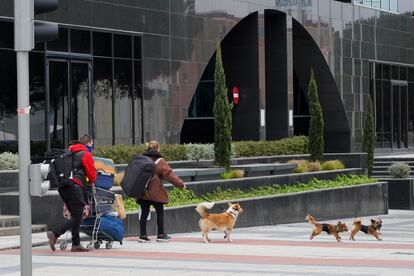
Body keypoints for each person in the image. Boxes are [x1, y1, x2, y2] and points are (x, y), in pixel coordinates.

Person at [46, 140, 97, 252]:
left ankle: (76, 244)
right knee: (77, 216)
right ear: (82, 145)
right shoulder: (85, 154)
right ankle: (55, 233)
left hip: (63, 188)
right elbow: (92, 175)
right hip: (75, 187)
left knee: (75, 215)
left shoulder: (65, 155)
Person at [137, 140, 186, 242]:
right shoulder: (160, 161)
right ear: (158, 148)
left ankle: (142, 236)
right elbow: (169, 175)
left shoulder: (142, 159)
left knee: (144, 213)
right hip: (155, 191)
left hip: (142, 190)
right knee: (159, 212)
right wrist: (180, 184)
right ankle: (161, 234)